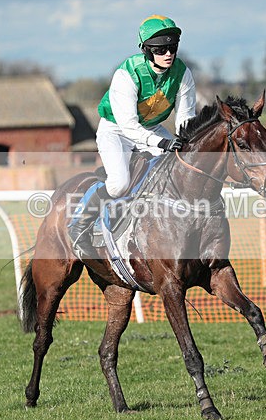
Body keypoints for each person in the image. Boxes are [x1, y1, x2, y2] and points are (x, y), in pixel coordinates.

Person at [69, 15, 197, 256]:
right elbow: (129, 126)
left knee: (179, 166)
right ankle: (79, 224)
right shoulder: (127, 73)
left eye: (172, 48)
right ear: (146, 50)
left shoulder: (183, 73)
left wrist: (183, 144)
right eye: (161, 49)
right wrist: (162, 142)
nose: (168, 54)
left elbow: (186, 117)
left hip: (151, 128)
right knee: (119, 185)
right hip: (116, 130)